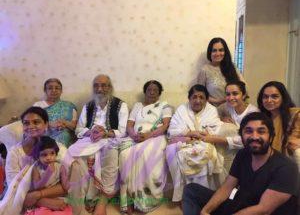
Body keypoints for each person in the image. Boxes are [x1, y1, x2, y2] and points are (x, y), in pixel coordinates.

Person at [182, 112, 299, 215]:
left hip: (260, 212)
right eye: (248, 131)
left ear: (271, 136)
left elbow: (263, 209)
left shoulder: (286, 168)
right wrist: (205, 211)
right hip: (241, 204)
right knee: (191, 190)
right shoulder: (243, 154)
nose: (254, 136)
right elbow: (227, 187)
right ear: (241, 136)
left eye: (261, 131)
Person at [66, 74, 129, 215]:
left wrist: (104, 133)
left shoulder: (121, 105)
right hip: (90, 138)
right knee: (73, 154)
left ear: (110, 87)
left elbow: (123, 131)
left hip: (109, 139)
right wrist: (91, 132)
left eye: (104, 85)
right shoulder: (88, 106)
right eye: (96, 85)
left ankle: (103, 197)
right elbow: (79, 130)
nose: (100, 89)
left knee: (110, 152)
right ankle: (86, 196)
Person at [118, 80, 172, 214]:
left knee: (144, 152)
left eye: (155, 90)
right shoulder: (137, 106)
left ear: (159, 93)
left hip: (155, 137)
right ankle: (128, 201)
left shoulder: (164, 106)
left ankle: (145, 200)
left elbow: (165, 126)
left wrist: (148, 135)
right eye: (149, 90)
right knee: (125, 155)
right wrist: (134, 135)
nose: (152, 92)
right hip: (135, 137)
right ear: (145, 92)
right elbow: (130, 125)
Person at [1, 107, 68, 215]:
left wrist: (38, 195)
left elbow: (65, 185)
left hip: (53, 197)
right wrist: (43, 202)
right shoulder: (14, 153)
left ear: (46, 124)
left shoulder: (56, 149)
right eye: (26, 123)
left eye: (36, 122)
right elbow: (14, 187)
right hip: (20, 199)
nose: (31, 126)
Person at [166, 84, 226, 203]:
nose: (198, 101)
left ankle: (203, 196)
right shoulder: (182, 109)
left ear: (206, 99)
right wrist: (191, 133)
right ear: (189, 98)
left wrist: (201, 135)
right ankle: (187, 197)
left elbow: (216, 128)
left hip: (204, 142)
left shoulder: (211, 110)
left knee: (204, 154)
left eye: (201, 97)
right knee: (180, 154)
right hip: (184, 142)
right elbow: (172, 130)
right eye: (194, 97)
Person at [24, 136, 72, 215]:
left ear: (56, 153)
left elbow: (65, 185)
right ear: (38, 157)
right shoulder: (36, 167)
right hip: (41, 200)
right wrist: (48, 174)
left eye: (52, 153)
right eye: (44, 155)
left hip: (56, 197)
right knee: (42, 212)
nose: (49, 157)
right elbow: (37, 187)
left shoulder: (60, 167)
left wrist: (69, 184)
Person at [257, 81, 300, 164]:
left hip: (288, 163)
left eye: (274, 96)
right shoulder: (261, 118)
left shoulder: (295, 115)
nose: (269, 100)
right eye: (265, 97)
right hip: (264, 161)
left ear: (283, 98)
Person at [197, 37, 243, 106]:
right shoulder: (204, 70)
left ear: (225, 52)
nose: (218, 53)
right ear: (210, 52)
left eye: (221, 50)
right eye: (214, 50)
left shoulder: (232, 67)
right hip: (215, 109)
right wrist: (219, 101)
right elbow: (200, 94)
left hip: (234, 108)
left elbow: (243, 86)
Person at [34, 78, 77, 147]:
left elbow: (74, 127)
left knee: (64, 134)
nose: (54, 90)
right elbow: (33, 123)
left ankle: (59, 155)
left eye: (57, 88)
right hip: (43, 134)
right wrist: (51, 124)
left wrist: (64, 122)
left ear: (61, 91)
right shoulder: (38, 105)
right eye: (50, 88)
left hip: (63, 135)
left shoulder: (69, 106)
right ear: (45, 90)